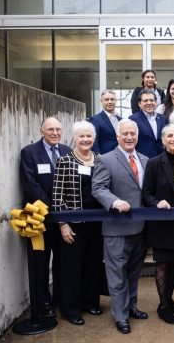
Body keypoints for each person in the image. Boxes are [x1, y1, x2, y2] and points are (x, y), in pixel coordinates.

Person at [92, 119, 149, 334]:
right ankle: (120, 316)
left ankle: (131, 306)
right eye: (124, 134)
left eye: (132, 134)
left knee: (134, 274)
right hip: (116, 229)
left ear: (137, 136)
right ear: (117, 137)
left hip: (141, 229)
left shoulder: (145, 159)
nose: (129, 137)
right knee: (116, 276)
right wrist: (114, 202)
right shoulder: (105, 160)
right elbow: (98, 188)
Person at [51, 121, 104, 326]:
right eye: (81, 136)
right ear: (74, 138)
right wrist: (63, 224)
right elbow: (57, 196)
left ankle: (90, 302)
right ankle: (70, 309)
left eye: (89, 136)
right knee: (71, 267)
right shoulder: (65, 161)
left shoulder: (100, 160)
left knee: (93, 264)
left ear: (94, 138)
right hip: (74, 223)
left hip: (97, 222)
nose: (85, 140)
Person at [19, 117, 71, 319]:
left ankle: (59, 299)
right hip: (39, 218)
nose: (55, 133)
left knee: (61, 260)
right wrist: (54, 208)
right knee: (39, 263)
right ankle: (42, 304)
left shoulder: (67, 151)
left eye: (58, 129)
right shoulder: (29, 152)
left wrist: (63, 212)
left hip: (63, 219)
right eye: (50, 129)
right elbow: (31, 186)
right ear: (42, 131)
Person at [142, 124, 174, 325]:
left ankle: (169, 300)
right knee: (163, 263)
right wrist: (156, 202)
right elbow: (146, 193)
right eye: (169, 135)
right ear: (163, 140)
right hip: (162, 223)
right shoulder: (154, 163)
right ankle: (162, 306)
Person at [129, 89, 168, 159]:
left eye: (151, 100)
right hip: (143, 160)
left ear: (156, 102)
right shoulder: (133, 119)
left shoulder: (163, 119)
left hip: (162, 159)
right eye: (145, 101)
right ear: (139, 104)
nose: (149, 103)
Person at [90, 90, 122, 154]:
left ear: (116, 101)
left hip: (121, 158)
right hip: (105, 159)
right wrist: (98, 159)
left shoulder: (121, 120)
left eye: (112, 99)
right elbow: (94, 143)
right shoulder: (95, 120)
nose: (110, 102)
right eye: (106, 99)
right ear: (101, 101)